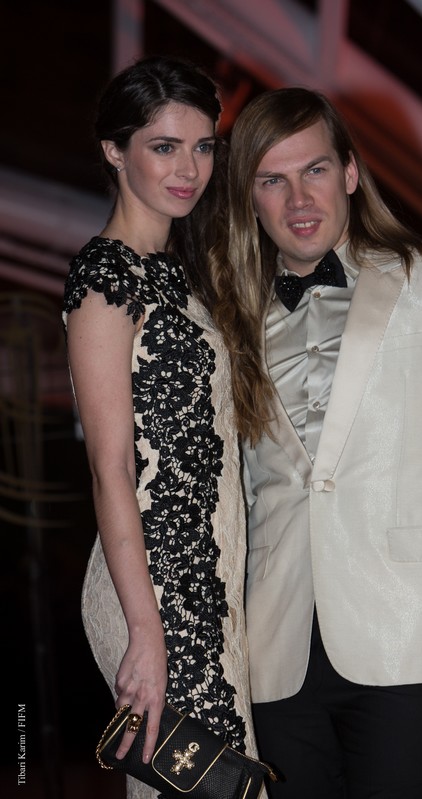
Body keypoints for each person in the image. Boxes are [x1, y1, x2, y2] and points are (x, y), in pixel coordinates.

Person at [227, 86, 422, 799]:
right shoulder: (232, 317)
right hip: (272, 651)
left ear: (350, 173)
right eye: (271, 179)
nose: (298, 199)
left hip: (407, 632)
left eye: (314, 170)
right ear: (249, 198)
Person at [62, 55, 272, 799]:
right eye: (163, 147)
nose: (189, 169)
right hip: (157, 596)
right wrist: (146, 634)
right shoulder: (105, 278)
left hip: (203, 583)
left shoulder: (178, 272)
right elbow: (111, 468)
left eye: (202, 146)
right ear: (114, 151)